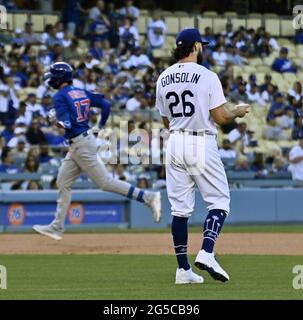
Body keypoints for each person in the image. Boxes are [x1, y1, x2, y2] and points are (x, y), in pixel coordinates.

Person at [155, 28, 249, 284]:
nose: (203, 48)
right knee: (219, 201)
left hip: (174, 141)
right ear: (195, 46)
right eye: (201, 44)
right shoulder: (207, 75)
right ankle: (207, 251)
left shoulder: (163, 77)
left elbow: (166, 120)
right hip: (200, 141)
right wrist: (237, 111)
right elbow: (220, 117)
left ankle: (183, 269)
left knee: (180, 210)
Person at [33, 62, 161, 241]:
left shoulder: (60, 96)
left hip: (80, 144)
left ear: (58, 78)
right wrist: (99, 126)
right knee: (63, 181)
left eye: (52, 76)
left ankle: (148, 196)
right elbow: (106, 105)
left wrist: (55, 120)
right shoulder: (80, 91)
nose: (50, 79)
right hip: (80, 142)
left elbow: (66, 125)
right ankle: (57, 226)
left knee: (105, 183)